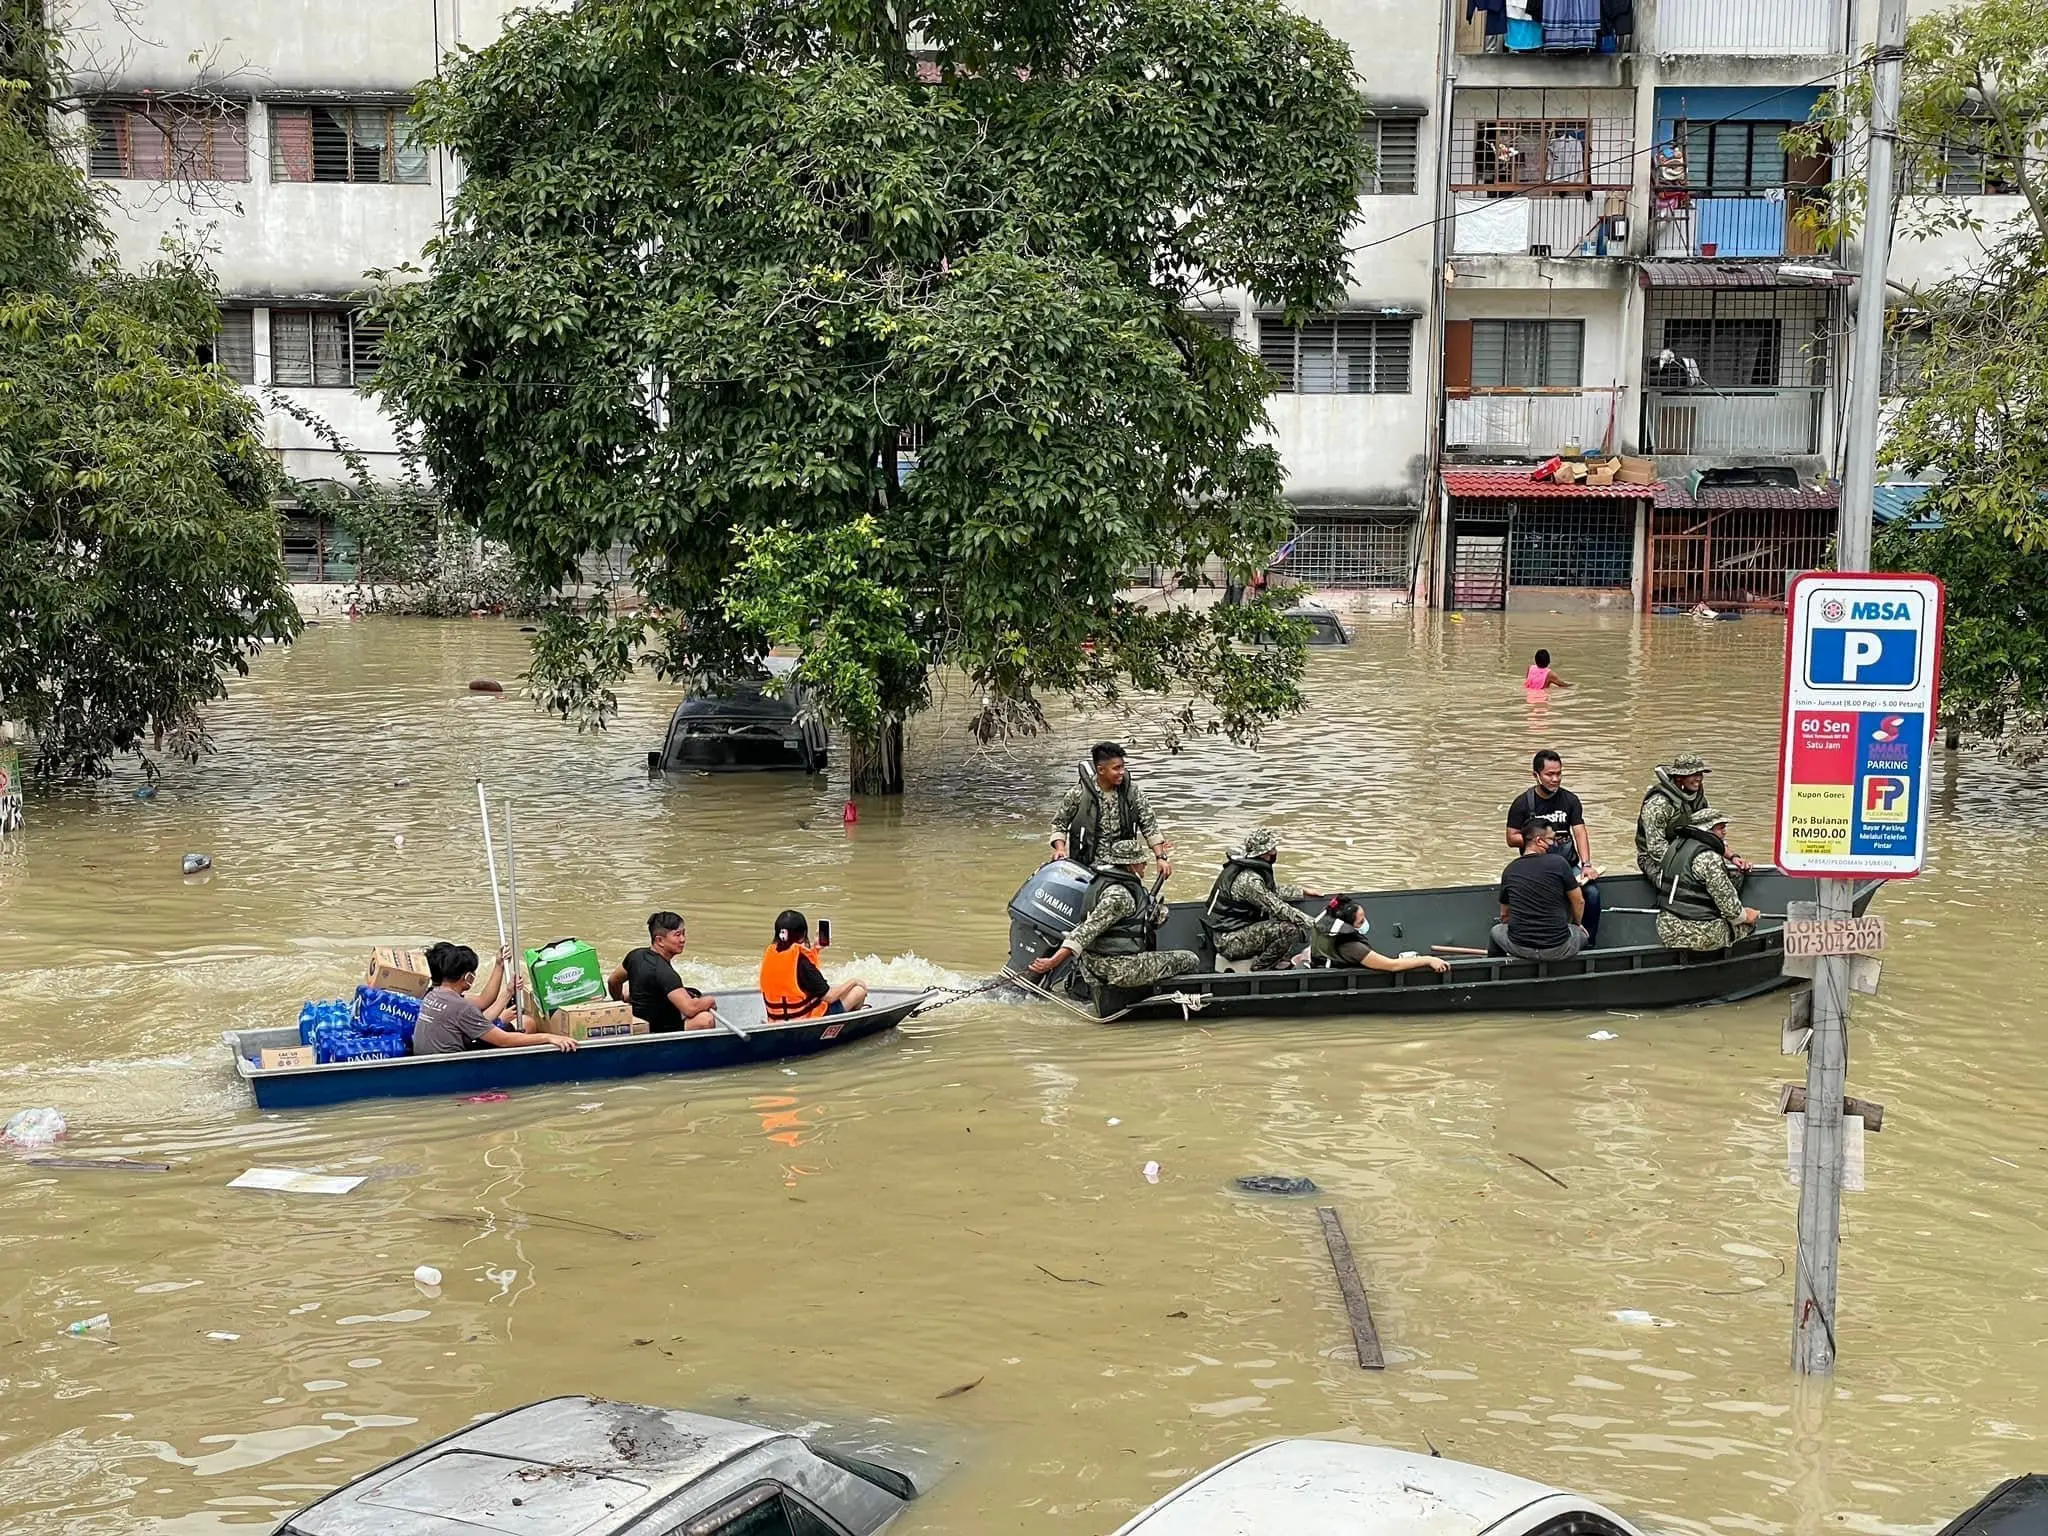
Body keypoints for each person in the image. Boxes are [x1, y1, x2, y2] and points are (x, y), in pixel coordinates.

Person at [1027, 838, 1201, 992]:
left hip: (1097, 962)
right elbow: (1084, 932)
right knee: (1190, 959)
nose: (1144, 865)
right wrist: (1053, 962)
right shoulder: (1120, 896)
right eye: (1141, 862)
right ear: (1130, 865)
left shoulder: (1107, 882)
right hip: (1113, 968)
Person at [1505, 749, 1602, 944]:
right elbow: (1511, 838)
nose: (1555, 779)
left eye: (1559, 773)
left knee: (1592, 894)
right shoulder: (1522, 803)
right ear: (1536, 775)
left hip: (1567, 865)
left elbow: (1580, 832)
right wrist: (1536, 840)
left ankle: (1588, 942)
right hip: (1535, 866)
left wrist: (1586, 864)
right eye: (1549, 774)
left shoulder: (1570, 800)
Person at [412, 941, 577, 1055]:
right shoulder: (460, 1007)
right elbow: (504, 1041)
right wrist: (549, 1037)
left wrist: (501, 972)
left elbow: (481, 1007)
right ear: (467, 977)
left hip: (439, 1052)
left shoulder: (432, 994)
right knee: (527, 1024)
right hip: (452, 1063)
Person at [1201, 826, 1320, 971]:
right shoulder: (1249, 881)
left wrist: (1301, 891)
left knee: (1283, 923)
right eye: (1272, 849)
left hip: (1234, 932)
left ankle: (1273, 962)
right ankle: (1260, 969)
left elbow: (1269, 893)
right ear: (1263, 854)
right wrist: (1315, 924)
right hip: (1229, 941)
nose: (1275, 852)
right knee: (1289, 929)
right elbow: (1278, 908)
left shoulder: (1247, 871)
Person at [1049, 741, 1172, 877]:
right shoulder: (1078, 794)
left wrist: (1160, 858)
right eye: (1116, 768)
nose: (1122, 772)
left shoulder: (1132, 793)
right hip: (1087, 867)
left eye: (1123, 767)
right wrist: (1060, 849)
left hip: (1123, 867)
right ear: (1101, 770)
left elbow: (1150, 826)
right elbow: (1059, 824)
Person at [1654, 807, 1761, 951]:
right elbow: (1731, 910)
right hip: (1700, 935)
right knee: (1747, 925)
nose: (1725, 832)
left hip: (1666, 929)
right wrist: (1747, 916)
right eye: (1720, 828)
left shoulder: (1674, 847)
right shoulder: (1708, 857)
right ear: (1707, 830)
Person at [1492, 821, 1589, 962]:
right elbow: (1579, 901)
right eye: (1551, 839)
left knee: (1495, 931)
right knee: (1582, 935)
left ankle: (1497, 968)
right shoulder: (1559, 863)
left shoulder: (1510, 870)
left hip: (1520, 948)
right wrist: (1577, 924)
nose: (1554, 843)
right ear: (1539, 841)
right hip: (1558, 948)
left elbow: (1504, 915)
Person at [608, 911, 718, 1033]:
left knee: (627, 992)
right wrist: (710, 1000)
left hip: (637, 1020)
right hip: (660, 1029)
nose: (683, 939)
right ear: (660, 940)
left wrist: (619, 1000)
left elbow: (613, 981)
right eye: (677, 935)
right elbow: (689, 1009)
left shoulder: (635, 955)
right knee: (705, 1019)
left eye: (683, 933)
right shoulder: (665, 973)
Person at [759, 910, 868, 1021]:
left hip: (775, 1019)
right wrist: (854, 981)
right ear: (802, 935)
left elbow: (798, 977)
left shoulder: (770, 955)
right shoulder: (802, 964)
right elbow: (830, 997)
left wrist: (815, 950)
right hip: (805, 1019)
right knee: (858, 991)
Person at [1309, 896, 1450, 975]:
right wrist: (1428, 960)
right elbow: (1392, 966)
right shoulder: (1352, 947)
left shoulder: (1324, 931)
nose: (1365, 923)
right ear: (1349, 924)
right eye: (1361, 921)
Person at [1635, 751, 1711, 880]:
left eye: (1700, 774)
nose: (1698, 778)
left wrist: (1731, 856)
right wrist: (1688, 863)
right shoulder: (1659, 804)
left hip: (1688, 853)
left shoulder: (1698, 799)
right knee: (1689, 883)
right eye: (1693, 775)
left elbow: (1711, 831)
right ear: (1679, 777)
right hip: (1654, 859)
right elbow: (1656, 848)